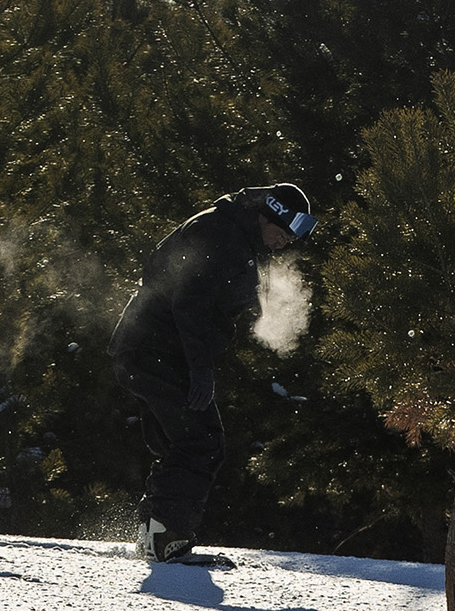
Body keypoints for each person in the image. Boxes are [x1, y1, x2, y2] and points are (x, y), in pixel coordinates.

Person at [109, 184, 316, 563]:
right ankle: (166, 540)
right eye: (285, 232)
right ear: (268, 213)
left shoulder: (234, 235)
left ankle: (154, 536)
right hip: (155, 350)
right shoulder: (221, 233)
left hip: (150, 350)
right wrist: (201, 370)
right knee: (201, 440)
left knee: (181, 443)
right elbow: (189, 303)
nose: (286, 242)